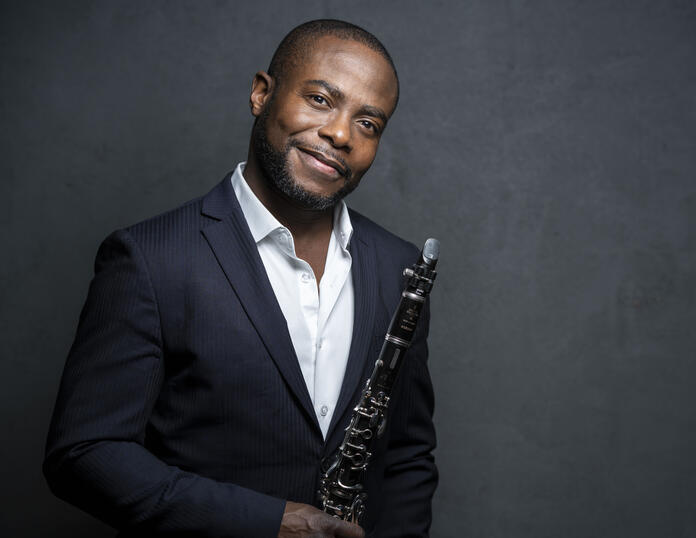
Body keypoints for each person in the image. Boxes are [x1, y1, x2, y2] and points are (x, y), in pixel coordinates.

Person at [43, 19, 438, 538]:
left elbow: (408, 456)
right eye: (320, 99)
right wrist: (266, 523)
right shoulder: (149, 258)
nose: (340, 134)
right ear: (261, 94)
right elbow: (85, 453)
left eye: (368, 123)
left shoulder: (397, 267)